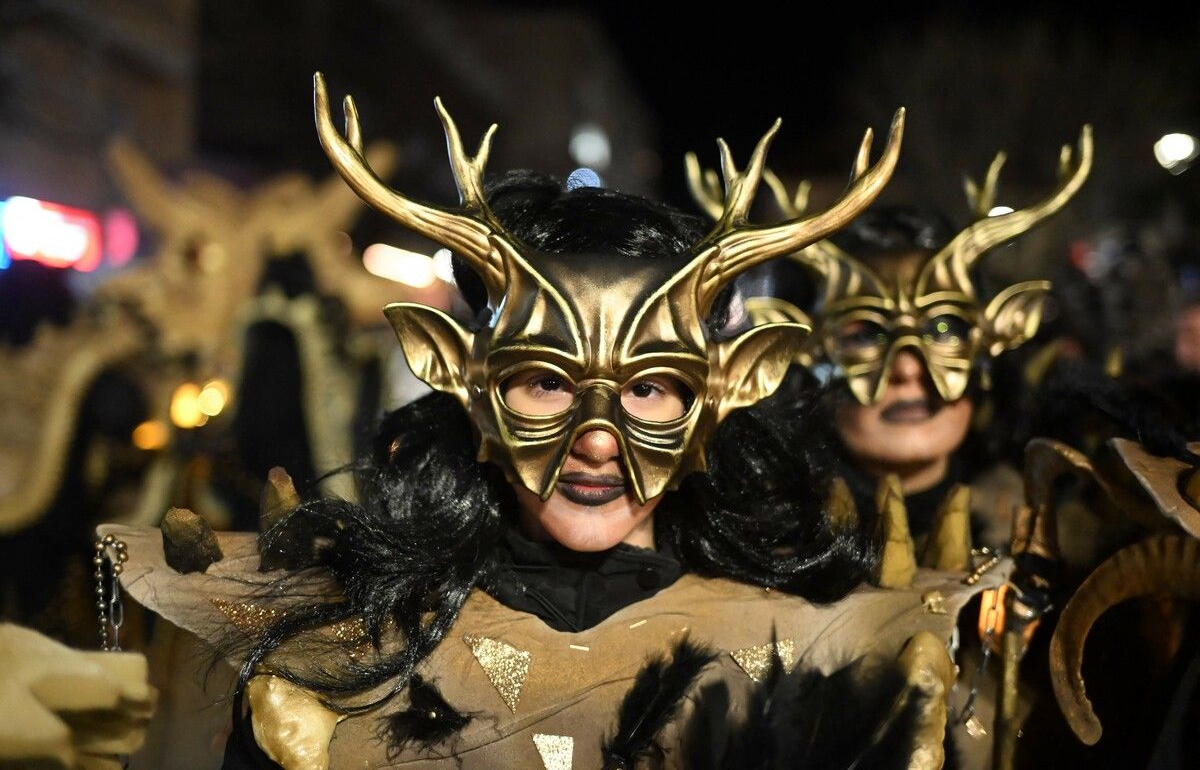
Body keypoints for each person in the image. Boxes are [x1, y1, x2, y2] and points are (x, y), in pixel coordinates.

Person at [107, 78, 1003, 770]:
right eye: (545, 382)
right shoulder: (338, 652)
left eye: (650, 388)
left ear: (729, 388)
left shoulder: (826, 651)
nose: (599, 435)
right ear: (456, 374)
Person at [690, 133, 1092, 552]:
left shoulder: (1058, 537)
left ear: (1002, 330)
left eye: (942, 329)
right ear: (798, 347)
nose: (907, 369)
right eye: (866, 333)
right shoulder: (744, 545)